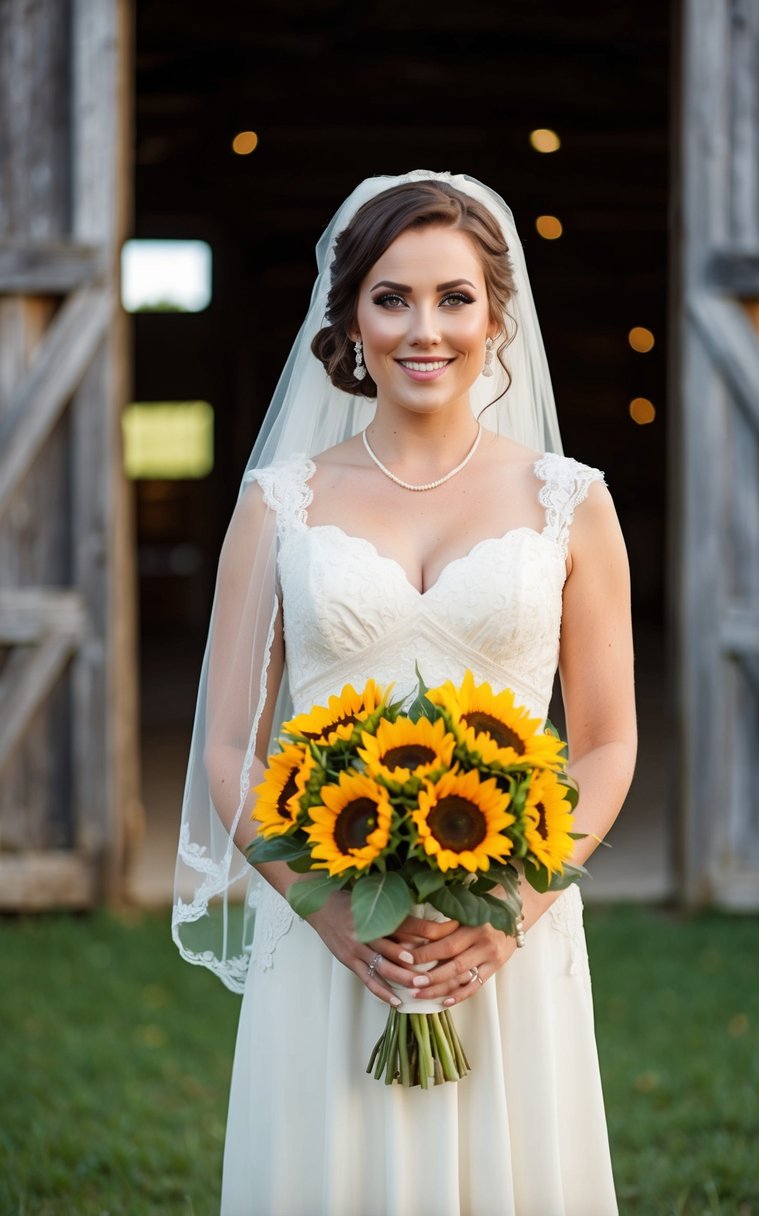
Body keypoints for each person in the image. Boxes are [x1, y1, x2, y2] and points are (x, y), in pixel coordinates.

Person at [172, 171, 637, 1215]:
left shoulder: (571, 502)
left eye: (454, 297)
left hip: (507, 930)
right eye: (391, 297)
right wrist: (332, 915)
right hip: (328, 924)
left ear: (494, 314)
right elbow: (226, 748)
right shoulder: (278, 504)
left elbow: (605, 743)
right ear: (347, 319)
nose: (424, 329)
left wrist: (511, 909)